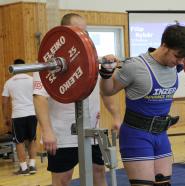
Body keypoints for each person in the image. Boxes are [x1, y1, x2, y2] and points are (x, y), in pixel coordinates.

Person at [99, 24, 185, 186]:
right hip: (136, 136)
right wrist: (106, 73)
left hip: (161, 135)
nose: (180, 62)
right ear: (164, 45)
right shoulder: (135, 67)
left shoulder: (175, 66)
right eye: (177, 56)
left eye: (183, 58)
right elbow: (108, 91)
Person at [33, 13, 121, 186]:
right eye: (79, 31)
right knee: (62, 180)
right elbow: (39, 98)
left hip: (92, 131)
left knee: (98, 172)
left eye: (85, 32)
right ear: (65, 33)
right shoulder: (48, 63)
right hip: (62, 135)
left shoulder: (93, 61)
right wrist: (47, 131)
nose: (83, 36)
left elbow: (105, 92)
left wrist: (117, 117)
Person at [2, 59, 38, 175]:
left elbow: (4, 102)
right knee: (32, 139)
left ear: (14, 67)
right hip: (32, 114)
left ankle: (23, 168)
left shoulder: (9, 82)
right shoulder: (32, 80)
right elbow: (38, 97)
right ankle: (32, 166)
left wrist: (6, 117)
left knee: (19, 142)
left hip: (18, 116)